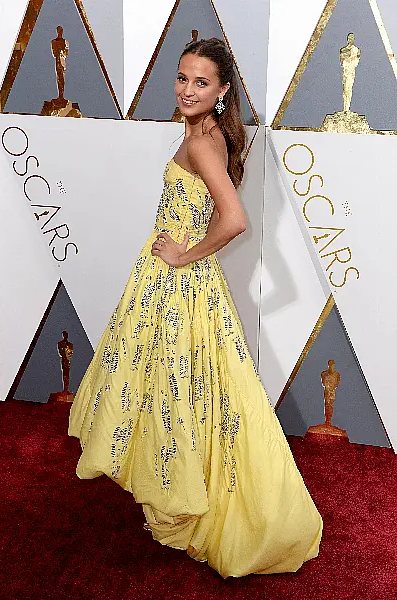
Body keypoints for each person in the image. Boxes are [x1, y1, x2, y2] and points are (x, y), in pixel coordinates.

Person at [68, 37, 323, 578]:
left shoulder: (204, 141)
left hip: (179, 279)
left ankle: (189, 497)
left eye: (201, 82)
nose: (187, 90)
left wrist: (184, 254)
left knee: (177, 388)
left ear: (223, 90)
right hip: (178, 280)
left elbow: (234, 220)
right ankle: (180, 486)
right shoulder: (205, 133)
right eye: (182, 78)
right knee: (183, 389)